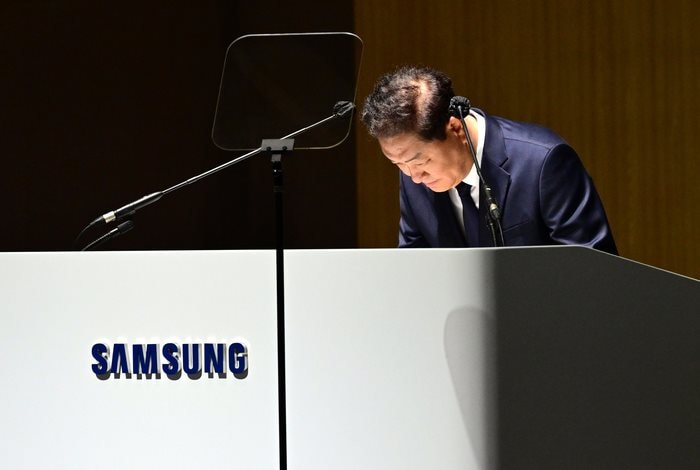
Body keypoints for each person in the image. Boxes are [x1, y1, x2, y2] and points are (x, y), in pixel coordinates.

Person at [360, 65, 618, 254]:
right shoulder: (412, 172)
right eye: (398, 164)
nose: (414, 176)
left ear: (456, 128)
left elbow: (592, 268)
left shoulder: (543, 162)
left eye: (420, 162)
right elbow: (415, 267)